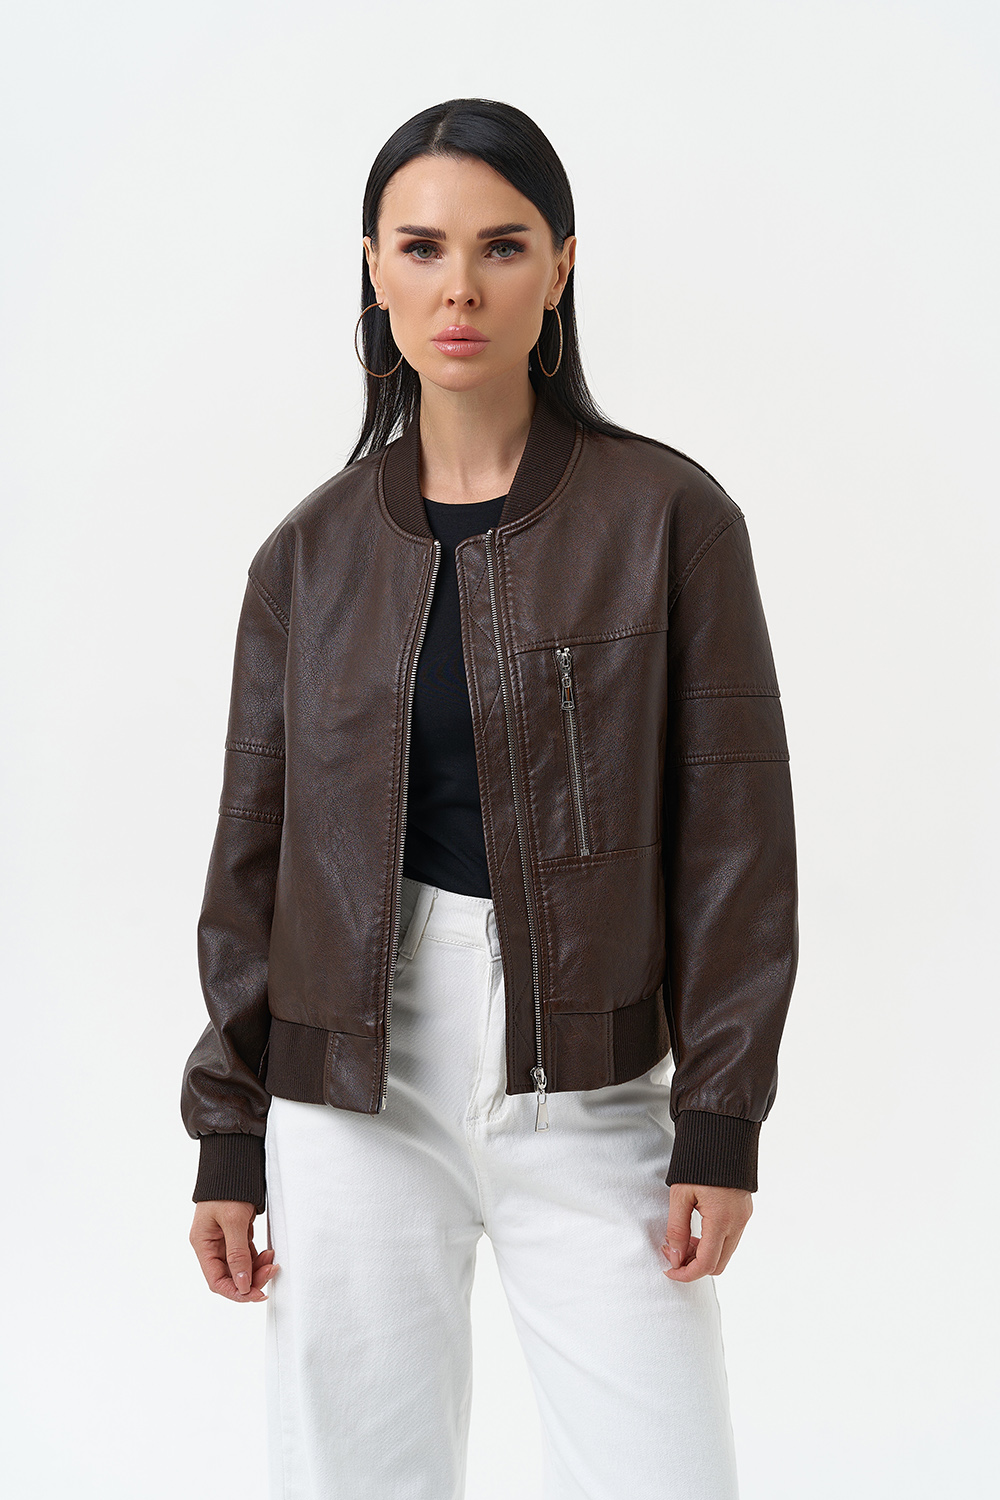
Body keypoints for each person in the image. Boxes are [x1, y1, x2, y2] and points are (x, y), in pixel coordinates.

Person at [182, 97, 798, 1500]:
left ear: (561, 266)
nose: (458, 287)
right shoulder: (305, 558)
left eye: (502, 246)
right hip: (349, 1087)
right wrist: (229, 1131)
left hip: (591, 1079)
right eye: (422, 247)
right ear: (374, 268)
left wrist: (722, 1114)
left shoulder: (670, 520)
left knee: (665, 1472)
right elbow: (253, 854)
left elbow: (736, 838)